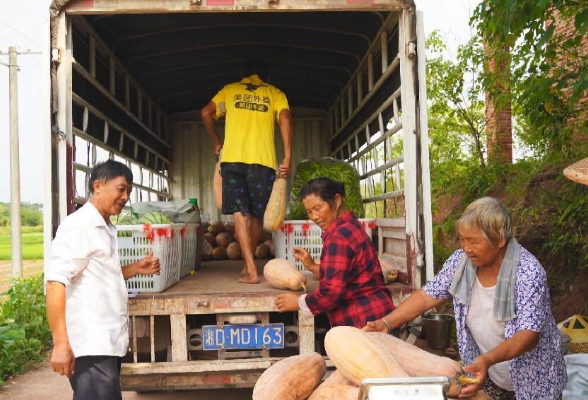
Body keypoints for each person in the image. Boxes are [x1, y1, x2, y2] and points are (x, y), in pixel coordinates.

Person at [364, 197, 566, 400]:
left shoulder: (528, 271)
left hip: (535, 380)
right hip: (489, 376)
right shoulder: (461, 263)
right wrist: (386, 322)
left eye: (474, 241)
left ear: (500, 239)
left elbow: (528, 335)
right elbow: (427, 296)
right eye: (463, 239)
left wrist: (487, 359)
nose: (467, 248)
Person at [45, 160, 160, 400]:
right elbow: (55, 283)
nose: (126, 196)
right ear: (98, 185)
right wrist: (61, 344)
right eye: (121, 189)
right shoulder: (78, 226)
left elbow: (102, 274)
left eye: (128, 191)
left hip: (106, 343)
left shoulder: (105, 227)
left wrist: (136, 268)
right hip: (90, 345)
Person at [201, 59, 292, 284]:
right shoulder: (274, 92)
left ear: (243, 76)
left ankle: (251, 269)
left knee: (239, 214)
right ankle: (248, 267)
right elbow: (285, 117)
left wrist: (217, 140)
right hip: (263, 162)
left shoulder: (230, 90)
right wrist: (288, 156)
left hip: (232, 161)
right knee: (257, 216)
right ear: (266, 78)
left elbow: (205, 113)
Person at [275, 177, 394, 328]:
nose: (314, 217)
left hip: (363, 321)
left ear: (337, 200)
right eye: (309, 212)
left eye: (318, 208)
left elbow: (330, 295)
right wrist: (311, 266)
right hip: (376, 314)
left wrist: (298, 302)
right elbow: (345, 275)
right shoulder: (350, 225)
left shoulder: (338, 237)